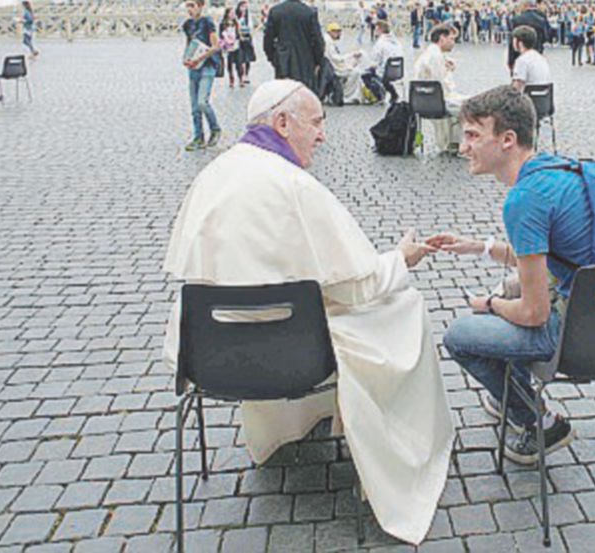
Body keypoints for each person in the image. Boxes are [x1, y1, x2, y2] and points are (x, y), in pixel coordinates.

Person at [162, 80, 454, 545]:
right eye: (316, 122)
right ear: (282, 122)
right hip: (298, 357)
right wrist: (401, 258)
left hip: (212, 358)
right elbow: (359, 286)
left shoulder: (213, 174)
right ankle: (408, 446)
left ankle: (294, 422)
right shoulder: (293, 184)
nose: (322, 135)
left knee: (298, 314)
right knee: (405, 306)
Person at [427, 85, 590, 464]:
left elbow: (534, 314)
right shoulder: (564, 171)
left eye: (472, 135)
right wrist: (478, 247)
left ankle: (538, 421)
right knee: (512, 290)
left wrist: (489, 304)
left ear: (507, 140)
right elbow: (545, 260)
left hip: (581, 339)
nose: (463, 147)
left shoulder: (524, 199)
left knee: (460, 336)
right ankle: (511, 396)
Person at [413, 23, 468, 155]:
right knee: (471, 106)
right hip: (434, 101)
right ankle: (459, 144)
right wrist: (449, 72)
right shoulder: (435, 56)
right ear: (442, 38)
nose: (454, 43)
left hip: (423, 99)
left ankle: (453, 142)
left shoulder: (432, 53)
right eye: (452, 39)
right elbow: (442, 85)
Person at [263, 0, 325, 94]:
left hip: (283, 59)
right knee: (303, 93)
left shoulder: (276, 11)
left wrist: (273, 57)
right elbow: (317, 40)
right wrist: (318, 61)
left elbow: (268, 39)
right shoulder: (309, 12)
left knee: (284, 94)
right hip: (305, 60)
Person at [180, 0, 222, 151]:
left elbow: (215, 46)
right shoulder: (187, 24)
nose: (189, 9)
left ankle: (215, 128)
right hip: (194, 67)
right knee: (194, 107)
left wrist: (199, 58)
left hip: (207, 66)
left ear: (200, 6)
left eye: (192, 6)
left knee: (202, 102)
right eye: (187, 6)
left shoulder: (207, 22)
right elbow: (190, 44)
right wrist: (187, 58)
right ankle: (198, 137)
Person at [361, 20, 405, 104]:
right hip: (398, 71)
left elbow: (374, 61)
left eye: (376, 29)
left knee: (364, 74)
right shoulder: (397, 42)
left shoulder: (380, 43)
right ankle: (393, 94)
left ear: (380, 29)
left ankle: (378, 95)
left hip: (384, 72)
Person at [321, 22, 365, 104]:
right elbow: (335, 58)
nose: (339, 34)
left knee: (354, 69)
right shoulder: (328, 42)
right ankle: (347, 95)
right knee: (355, 72)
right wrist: (351, 55)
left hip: (333, 66)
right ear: (331, 32)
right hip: (334, 68)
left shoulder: (328, 40)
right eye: (337, 32)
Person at [507, 0, 550, 75]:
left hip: (520, 56)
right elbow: (546, 37)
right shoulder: (541, 19)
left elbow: (513, 42)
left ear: (525, 5)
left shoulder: (516, 20)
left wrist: (510, 61)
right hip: (537, 55)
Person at [510, 25, 551, 93]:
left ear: (520, 43)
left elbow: (517, 87)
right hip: (544, 97)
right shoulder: (541, 58)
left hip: (529, 97)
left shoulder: (522, 60)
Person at [233, 0, 257, 87]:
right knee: (240, 57)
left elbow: (251, 27)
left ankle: (246, 74)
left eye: (246, 7)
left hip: (247, 37)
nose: (244, 9)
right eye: (242, 6)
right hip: (238, 38)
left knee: (247, 58)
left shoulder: (248, 17)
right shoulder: (236, 17)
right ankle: (241, 75)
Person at [219, 8, 243, 88]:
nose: (233, 15)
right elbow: (221, 35)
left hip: (236, 45)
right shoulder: (223, 23)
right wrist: (226, 41)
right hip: (227, 46)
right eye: (231, 13)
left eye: (233, 13)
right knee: (229, 64)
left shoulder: (236, 23)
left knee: (239, 63)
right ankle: (231, 79)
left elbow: (238, 33)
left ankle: (240, 79)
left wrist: (239, 38)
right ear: (227, 14)